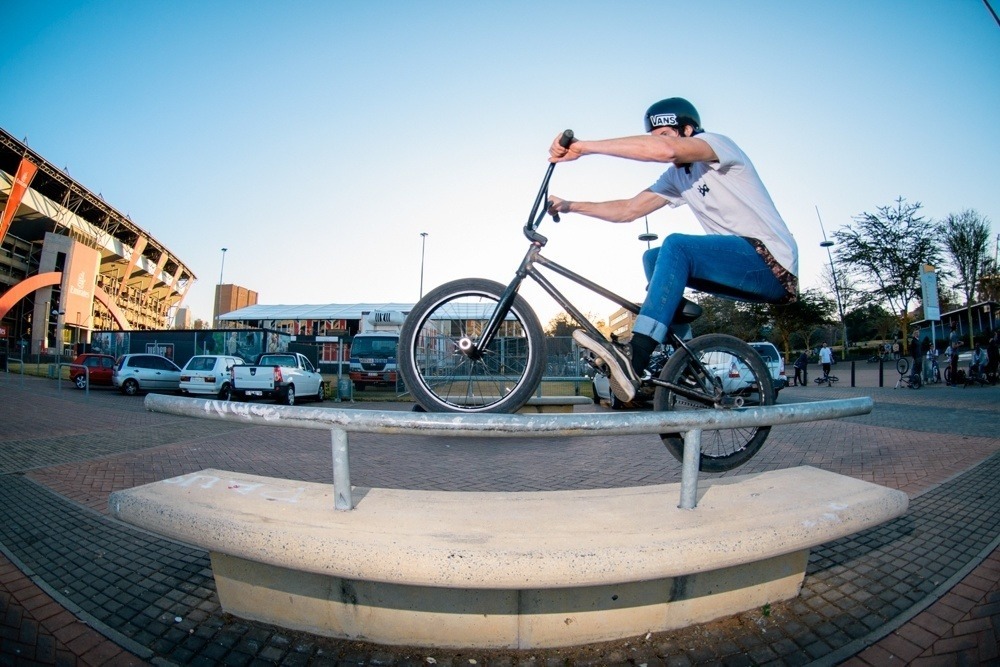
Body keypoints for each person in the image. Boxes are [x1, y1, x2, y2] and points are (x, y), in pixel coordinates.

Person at [547, 98, 798, 402]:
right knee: (653, 256)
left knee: (676, 246)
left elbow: (667, 151)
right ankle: (686, 358)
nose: (658, 146)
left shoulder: (715, 144)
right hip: (741, 265)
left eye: (665, 134)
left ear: (688, 130)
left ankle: (636, 357)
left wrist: (584, 147)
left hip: (770, 261)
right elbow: (628, 209)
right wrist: (570, 205)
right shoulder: (677, 178)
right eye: (653, 138)